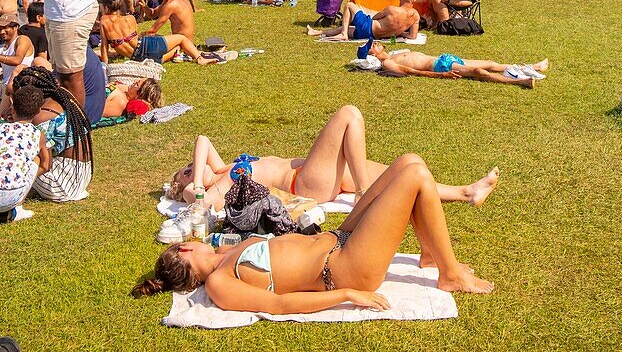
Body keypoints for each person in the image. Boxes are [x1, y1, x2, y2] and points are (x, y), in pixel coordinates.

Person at [135, 156, 497, 305]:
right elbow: (278, 305)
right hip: (345, 267)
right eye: (190, 244)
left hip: (339, 238)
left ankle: (430, 252)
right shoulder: (219, 284)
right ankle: (449, 274)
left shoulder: (225, 252)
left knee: (409, 162)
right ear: (184, 252)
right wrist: (346, 296)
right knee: (415, 178)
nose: (195, 242)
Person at [168, 105, 500, 213]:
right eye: (186, 171)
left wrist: (200, 172)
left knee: (405, 171)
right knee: (349, 116)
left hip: (319, 175)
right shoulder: (209, 191)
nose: (192, 167)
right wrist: (193, 185)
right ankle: (364, 196)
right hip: (306, 183)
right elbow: (195, 200)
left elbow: (203, 141)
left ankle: (466, 192)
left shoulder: (222, 170)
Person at [13, 65, 93, 203]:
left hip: (61, 184)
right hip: (79, 176)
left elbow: (46, 162)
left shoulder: (42, 116)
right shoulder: (61, 100)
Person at [368, 42, 548, 87]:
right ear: (371, 55)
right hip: (440, 67)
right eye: (371, 46)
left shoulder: (394, 53)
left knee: (491, 63)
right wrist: (440, 75)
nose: (374, 44)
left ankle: (534, 67)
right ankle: (520, 82)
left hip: (444, 58)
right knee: (477, 71)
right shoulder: (388, 64)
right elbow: (412, 71)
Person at [99, 0, 218, 65]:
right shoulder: (130, 19)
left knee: (177, 47)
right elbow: (136, 40)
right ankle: (199, 58)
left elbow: (104, 47)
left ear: (106, 7)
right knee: (181, 39)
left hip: (138, 59)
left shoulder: (104, 21)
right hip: (147, 47)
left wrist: (105, 66)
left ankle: (184, 54)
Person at [0, 85, 52, 222]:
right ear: (39, 110)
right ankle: (17, 208)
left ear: (12, 106)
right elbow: (46, 165)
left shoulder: (2, 128)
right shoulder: (38, 134)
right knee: (37, 159)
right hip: (11, 197)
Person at [308, 0, 420, 43]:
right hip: (375, 36)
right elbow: (412, 36)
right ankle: (316, 32)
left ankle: (343, 35)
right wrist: (397, 32)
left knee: (349, 5)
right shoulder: (415, 16)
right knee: (347, 28)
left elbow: (375, 18)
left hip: (369, 27)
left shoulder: (392, 9)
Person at [0, 16, 35, 90]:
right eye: (0, 29)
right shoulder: (2, 47)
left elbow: (17, 60)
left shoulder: (22, 39)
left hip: (21, 86)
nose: (2, 32)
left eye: (5, 28)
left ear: (16, 27)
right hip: (5, 86)